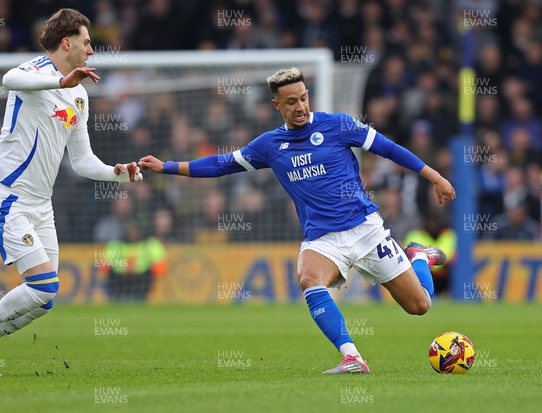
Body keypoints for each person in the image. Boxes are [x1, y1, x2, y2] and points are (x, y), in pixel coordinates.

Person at [140, 67, 456, 374]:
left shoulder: (339, 126)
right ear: (277, 105)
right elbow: (222, 164)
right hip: (323, 238)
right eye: (291, 102)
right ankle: (352, 357)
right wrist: (166, 166)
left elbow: (388, 148)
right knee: (308, 277)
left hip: (365, 229)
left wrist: (434, 176)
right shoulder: (269, 145)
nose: (301, 106)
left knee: (420, 306)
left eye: (304, 98)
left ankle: (418, 256)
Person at [0, 8, 143, 376]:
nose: (91, 51)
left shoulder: (80, 97)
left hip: (42, 207)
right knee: (43, 285)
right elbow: (9, 78)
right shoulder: (34, 73)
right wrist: (59, 83)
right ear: (67, 42)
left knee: (44, 301)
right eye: (87, 42)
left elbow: (82, 160)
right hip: (7, 197)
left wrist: (117, 174)